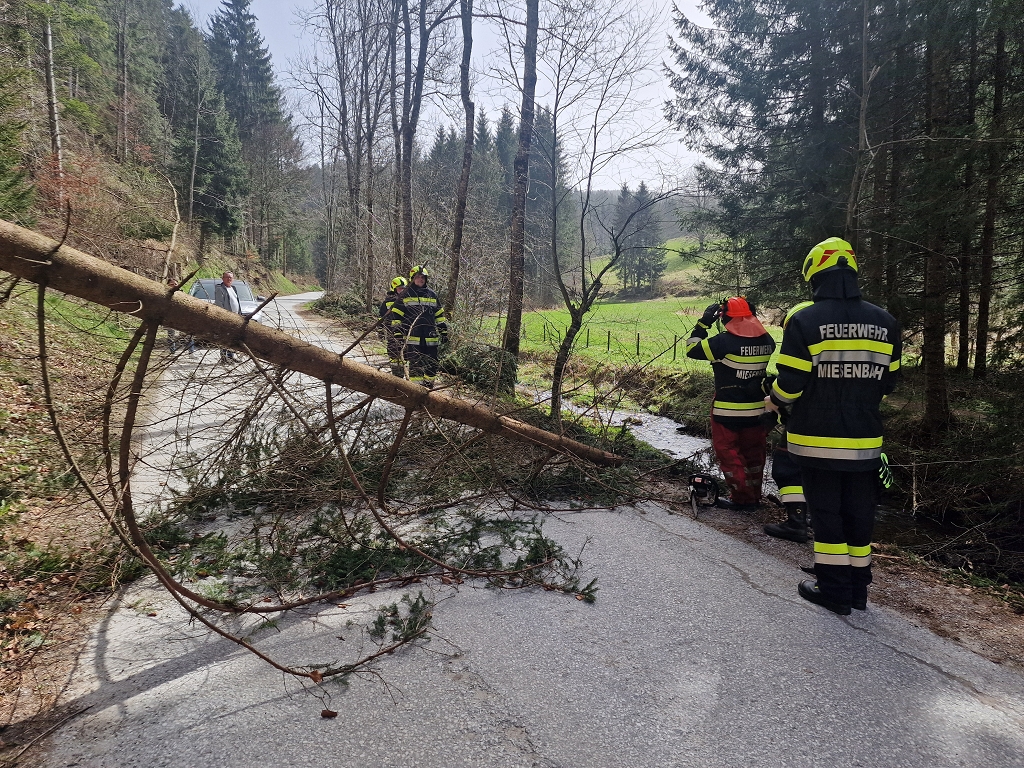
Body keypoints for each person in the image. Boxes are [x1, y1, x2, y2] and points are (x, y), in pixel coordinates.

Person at [765, 237, 901, 615]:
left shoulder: (805, 319)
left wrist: (772, 401)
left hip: (816, 440)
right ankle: (858, 590)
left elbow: (791, 381)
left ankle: (834, 589)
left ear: (814, 273)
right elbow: (889, 382)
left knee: (826, 516)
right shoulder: (885, 321)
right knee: (859, 515)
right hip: (866, 442)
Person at [686, 296, 776, 510]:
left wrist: (703, 323)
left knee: (729, 453)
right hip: (757, 410)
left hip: (727, 411)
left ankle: (742, 498)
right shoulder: (767, 341)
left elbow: (692, 349)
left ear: (725, 317)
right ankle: (754, 496)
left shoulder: (723, 342)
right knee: (754, 455)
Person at [762, 301, 813, 543]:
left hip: (808, 420)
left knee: (787, 466)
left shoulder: (803, 334)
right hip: (856, 426)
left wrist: (773, 398)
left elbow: (791, 383)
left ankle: (797, 522)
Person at [390, 264, 448, 388]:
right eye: (417, 277)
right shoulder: (405, 295)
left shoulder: (432, 295)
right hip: (413, 338)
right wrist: (398, 334)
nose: (420, 279)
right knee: (415, 365)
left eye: (423, 277)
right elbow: (396, 317)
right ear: (412, 279)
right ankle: (416, 391)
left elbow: (439, 315)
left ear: (426, 279)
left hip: (430, 338)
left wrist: (443, 331)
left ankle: (427, 389)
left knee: (432, 364)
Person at [379, 276, 409, 377]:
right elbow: (380, 318)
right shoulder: (387, 302)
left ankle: (402, 377)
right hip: (392, 334)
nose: (402, 290)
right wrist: (380, 332)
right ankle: (396, 377)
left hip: (405, 334)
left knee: (404, 357)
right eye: (400, 288)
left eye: (404, 288)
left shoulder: (407, 301)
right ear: (394, 288)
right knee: (393, 356)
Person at [214, 271, 243, 362]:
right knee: (224, 337)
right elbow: (219, 304)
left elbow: (237, 302)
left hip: (235, 317)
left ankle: (231, 356)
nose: (229, 279)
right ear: (223, 279)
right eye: (227, 277)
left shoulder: (233, 288)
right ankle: (224, 357)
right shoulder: (220, 289)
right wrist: (224, 317)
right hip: (226, 318)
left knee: (233, 337)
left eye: (230, 277)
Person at [165, 278, 195, 355]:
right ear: (168, 285)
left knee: (189, 335)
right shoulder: (165, 294)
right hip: (170, 318)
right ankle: (172, 352)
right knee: (171, 336)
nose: (174, 286)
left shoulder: (182, 294)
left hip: (183, 317)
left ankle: (191, 352)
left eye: (175, 284)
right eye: (171, 284)